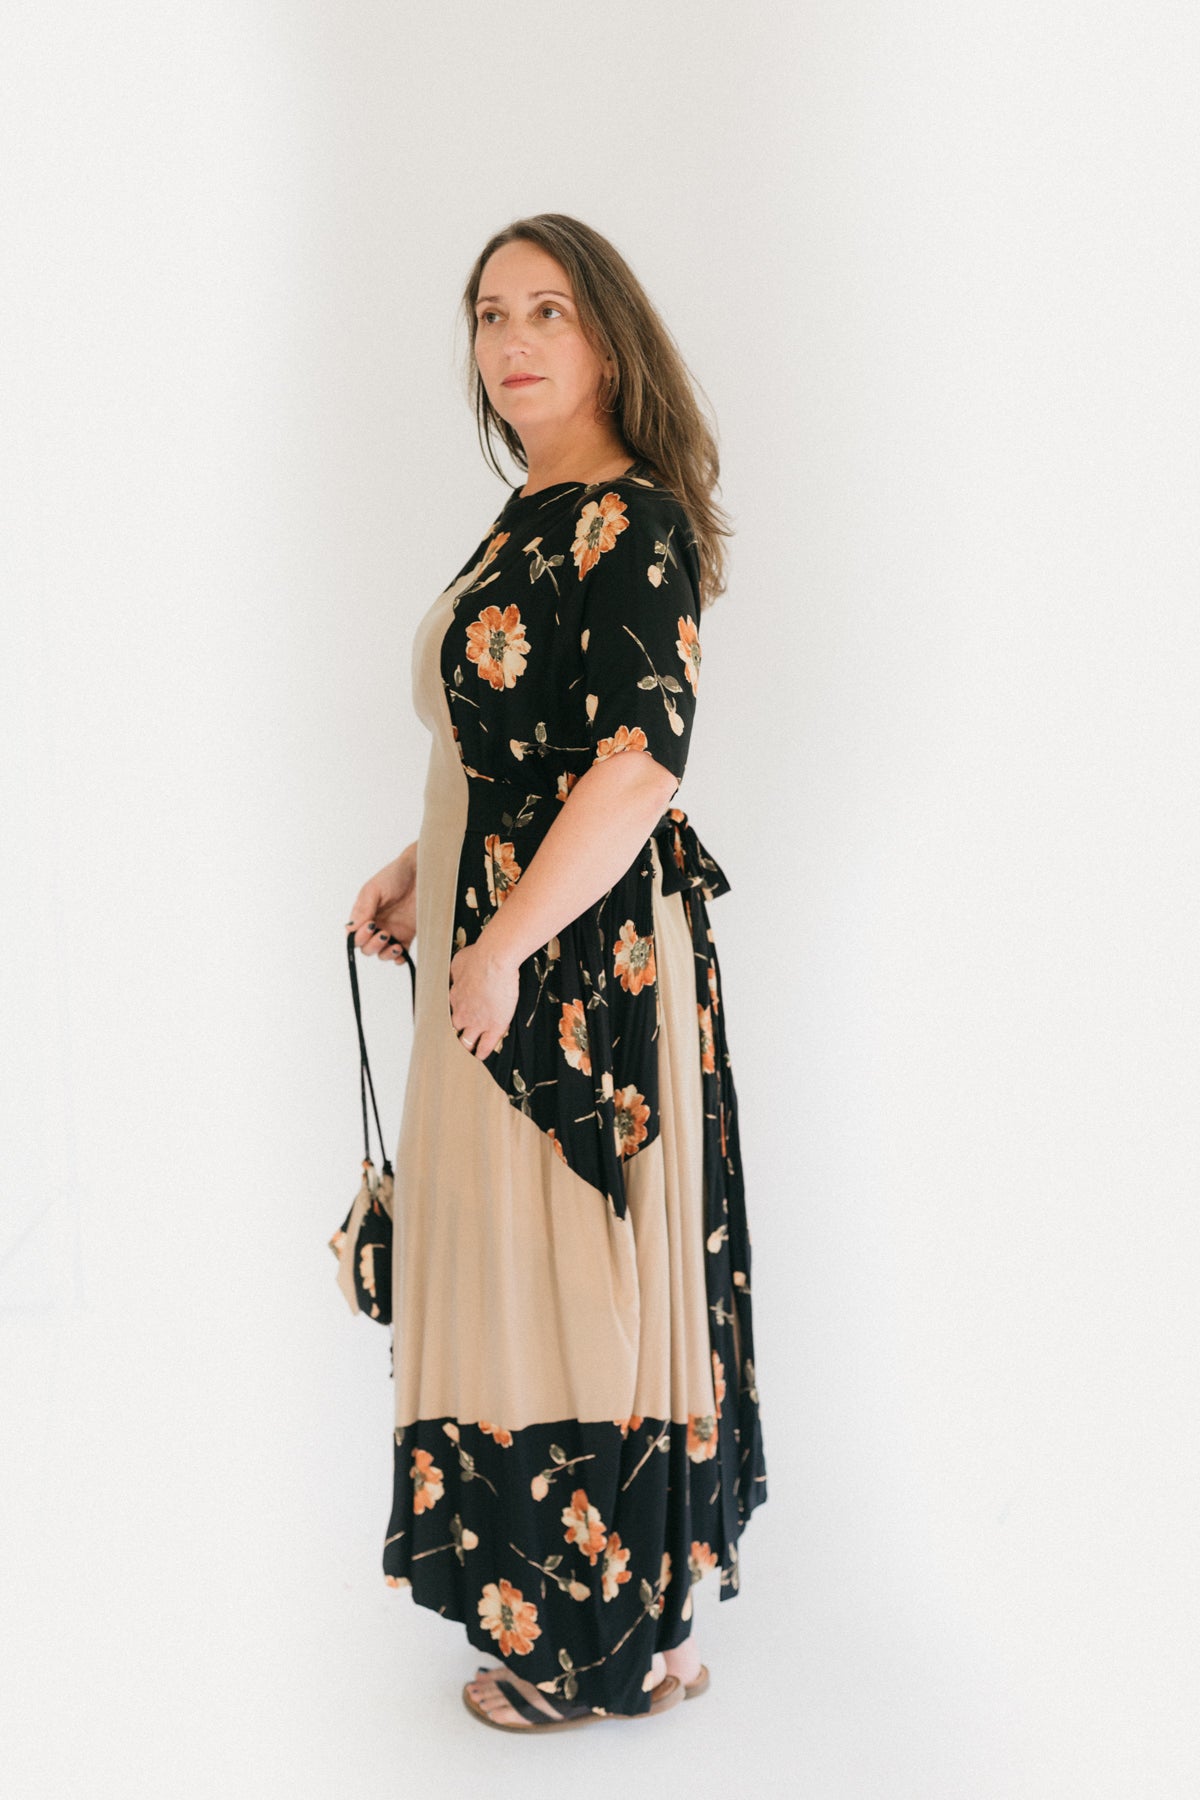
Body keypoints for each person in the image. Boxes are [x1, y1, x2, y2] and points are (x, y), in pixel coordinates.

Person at [345, 213, 766, 1732]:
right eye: (489, 313)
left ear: (608, 338)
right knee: (551, 1283)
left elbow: (640, 769)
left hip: (570, 965)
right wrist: (419, 865)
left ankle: (586, 1649)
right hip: (501, 933)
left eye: (549, 310)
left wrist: (504, 943)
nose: (513, 339)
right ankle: (632, 1637)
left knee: (575, 1286)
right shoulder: (530, 510)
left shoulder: (631, 520)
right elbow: (503, 752)